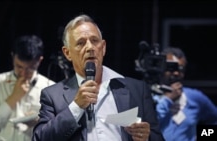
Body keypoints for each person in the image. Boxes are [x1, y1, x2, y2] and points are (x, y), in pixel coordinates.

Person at [32, 14, 164, 141]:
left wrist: (146, 138)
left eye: (94, 41)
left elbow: (156, 137)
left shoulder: (137, 90)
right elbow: (40, 138)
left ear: (103, 47)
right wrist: (76, 106)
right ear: (67, 53)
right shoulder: (53, 96)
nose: (90, 47)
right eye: (81, 43)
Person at [0, 35, 55, 141]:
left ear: (40, 61)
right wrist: (13, 98)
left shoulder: (50, 88)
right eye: (19, 67)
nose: (23, 73)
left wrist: (40, 123)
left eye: (30, 68)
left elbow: (58, 132)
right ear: (12, 56)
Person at [153, 47, 217, 141]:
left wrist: (203, 135)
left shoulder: (195, 97)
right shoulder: (148, 95)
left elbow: (214, 119)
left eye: (180, 69)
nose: (176, 73)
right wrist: (168, 99)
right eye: (171, 67)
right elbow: (150, 124)